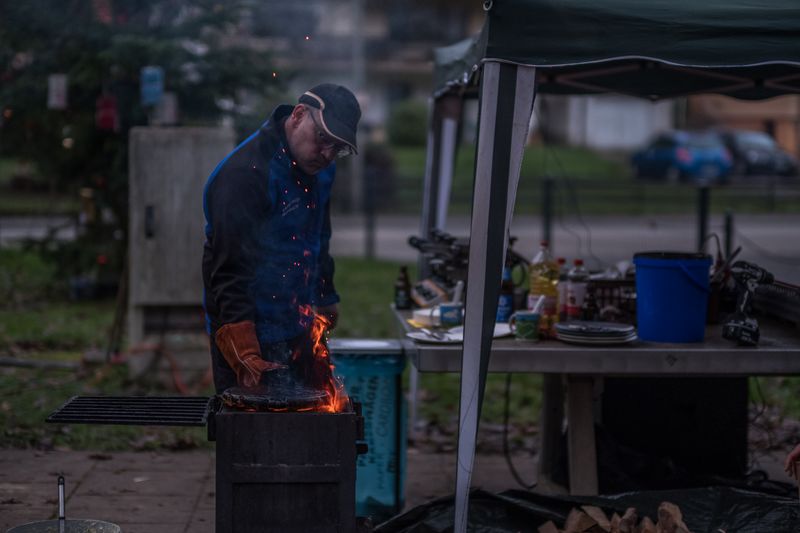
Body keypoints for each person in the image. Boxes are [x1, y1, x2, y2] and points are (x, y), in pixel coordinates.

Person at [202, 83, 361, 393]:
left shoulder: (321, 170)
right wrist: (244, 344)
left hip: (300, 322)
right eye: (323, 138)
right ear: (299, 115)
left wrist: (325, 294)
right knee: (252, 420)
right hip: (247, 325)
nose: (327, 154)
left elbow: (319, 235)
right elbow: (228, 268)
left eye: (338, 148)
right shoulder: (245, 175)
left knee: (314, 412)